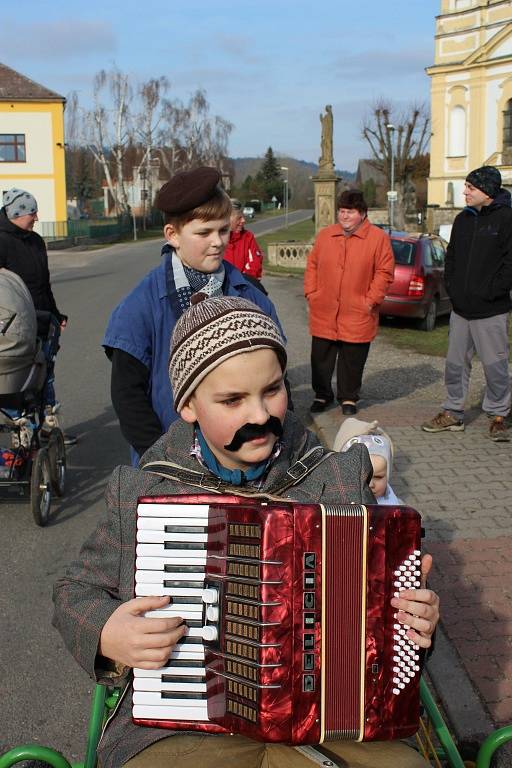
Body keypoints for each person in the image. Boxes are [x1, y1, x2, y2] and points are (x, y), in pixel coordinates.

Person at [53, 296, 439, 768]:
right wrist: (106, 632)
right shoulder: (145, 489)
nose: (259, 415)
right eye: (232, 400)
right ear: (188, 405)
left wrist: (414, 623)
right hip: (185, 731)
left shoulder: (336, 479)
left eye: (272, 390)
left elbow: (381, 632)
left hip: (330, 726)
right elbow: (74, 590)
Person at [103, 167, 283, 465]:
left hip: (244, 459)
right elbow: (127, 396)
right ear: (172, 234)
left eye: (223, 230)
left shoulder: (251, 295)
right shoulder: (140, 305)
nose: (218, 242)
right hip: (168, 462)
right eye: (204, 232)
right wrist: (162, 460)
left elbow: (278, 378)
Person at [422, 166, 512, 442]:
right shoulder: (462, 219)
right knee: (455, 365)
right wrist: (454, 290)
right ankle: (453, 413)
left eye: (470, 188)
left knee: (495, 365)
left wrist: (492, 291)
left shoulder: (506, 219)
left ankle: (499, 415)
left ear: (487, 190)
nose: (465, 192)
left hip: (491, 309)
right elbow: (452, 259)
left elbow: (509, 264)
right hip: (461, 310)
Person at [304, 189, 394, 416]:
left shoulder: (378, 238)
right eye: (342, 211)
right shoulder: (325, 235)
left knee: (352, 359)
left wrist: (370, 301)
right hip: (324, 308)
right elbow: (312, 265)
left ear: (362, 214)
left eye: (350, 212)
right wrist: (311, 293)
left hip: (358, 310)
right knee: (321, 358)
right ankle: (322, 394)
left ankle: (349, 397)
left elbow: (384, 272)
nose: (344, 216)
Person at [0, 189, 75, 444]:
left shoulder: (35, 241)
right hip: (13, 327)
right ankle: (18, 430)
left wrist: (55, 313)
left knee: (46, 374)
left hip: (43, 320)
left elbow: (44, 283)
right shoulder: (1, 241)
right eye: (32, 213)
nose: (36, 217)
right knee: (15, 379)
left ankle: (48, 429)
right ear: (18, 213)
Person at [335, 417, 403, 505]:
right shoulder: (329, 506)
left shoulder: (397, 508)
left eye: (378, 477)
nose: (370, 485)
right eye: (360, 477)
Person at [224, 199, 264, 284]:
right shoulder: (217, 239)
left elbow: (255, 264)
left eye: (243, 217)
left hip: (244, 286)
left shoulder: (248, 237)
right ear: (227, 219)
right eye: (239, 218)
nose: (243, 220)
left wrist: (240, 284)